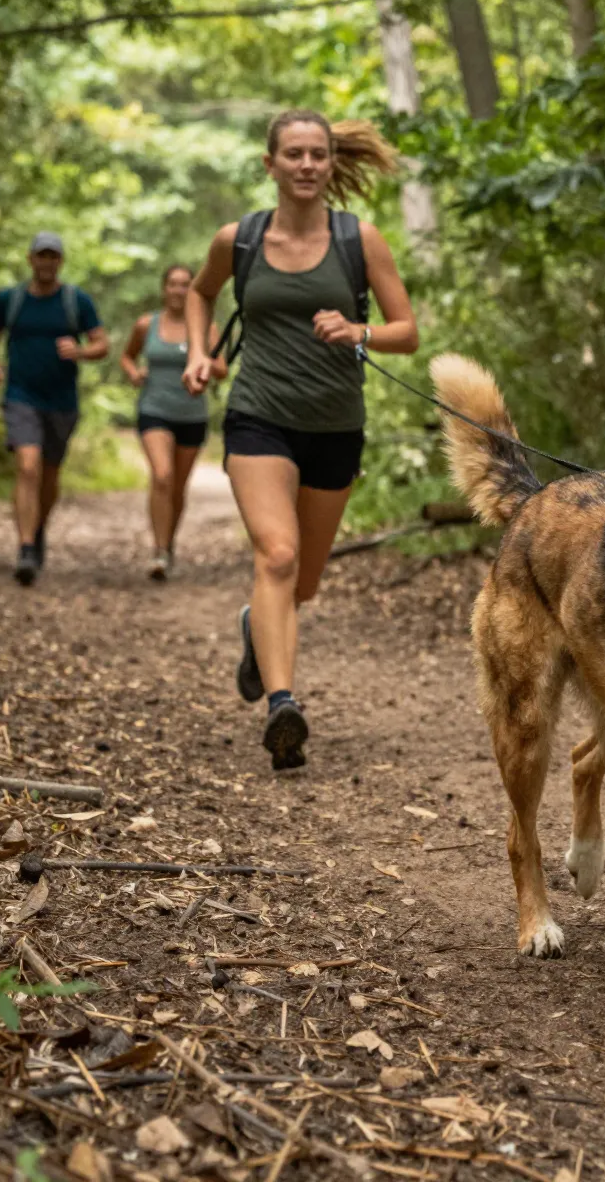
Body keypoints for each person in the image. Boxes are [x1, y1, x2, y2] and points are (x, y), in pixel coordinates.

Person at [182, 110, 420, 770]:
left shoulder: (359, 239)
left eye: (319, 154)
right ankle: (283, 704)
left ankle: (257, 631)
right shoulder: (240, 240)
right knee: (278, 556)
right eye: (294, 154)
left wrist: (357, 330)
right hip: (258, 415)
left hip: (336, 426)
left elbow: (407, 329)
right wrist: (199, 354)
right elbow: (201, 295)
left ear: (331, 163)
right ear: (271, 165)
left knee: (303, 582)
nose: (308, 164)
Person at [0, 231, 109, 585]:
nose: (47, 262)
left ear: (61, 261)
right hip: (20, 396)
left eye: (53, 256)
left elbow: (102, 343)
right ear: (30, 259)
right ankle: (24, 548)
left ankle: (37, 531)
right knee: (27, 467)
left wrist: (81, 351)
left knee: (50, 476)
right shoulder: (11, 299)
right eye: (42, 256)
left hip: (62, 401)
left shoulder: (75, 301)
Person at [120, 265, 226, 580]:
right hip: (154, 408)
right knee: (162, 476)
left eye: (185, 285)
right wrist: (133, 373)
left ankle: (169, 542)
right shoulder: (146, 324)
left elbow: (222, 369)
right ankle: (159, 550)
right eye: (173, 284)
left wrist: (204, 362)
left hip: (192, 413)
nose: (179, 290)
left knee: (178, 487)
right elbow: (127, 356)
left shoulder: (206, 328)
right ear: (164, 289)